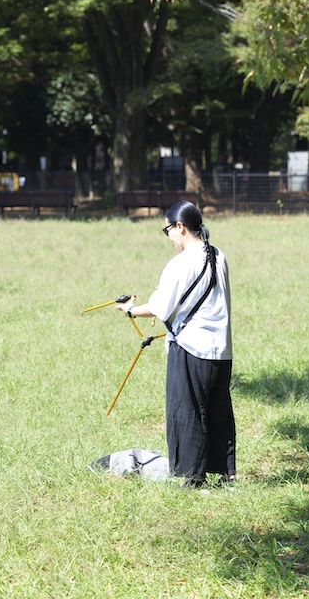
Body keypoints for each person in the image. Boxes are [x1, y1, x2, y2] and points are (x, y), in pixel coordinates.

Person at [118, 200, 236, 489]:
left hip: (190, 347)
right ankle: (225, 475)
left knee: (186, 411)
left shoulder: (180, 263)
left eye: (168, 229)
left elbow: (159, 307)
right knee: (218, 411)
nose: (169, 235)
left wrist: (130, 310)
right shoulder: (218, 256)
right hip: (220, 349)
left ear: (180, 227)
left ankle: (190, 477)